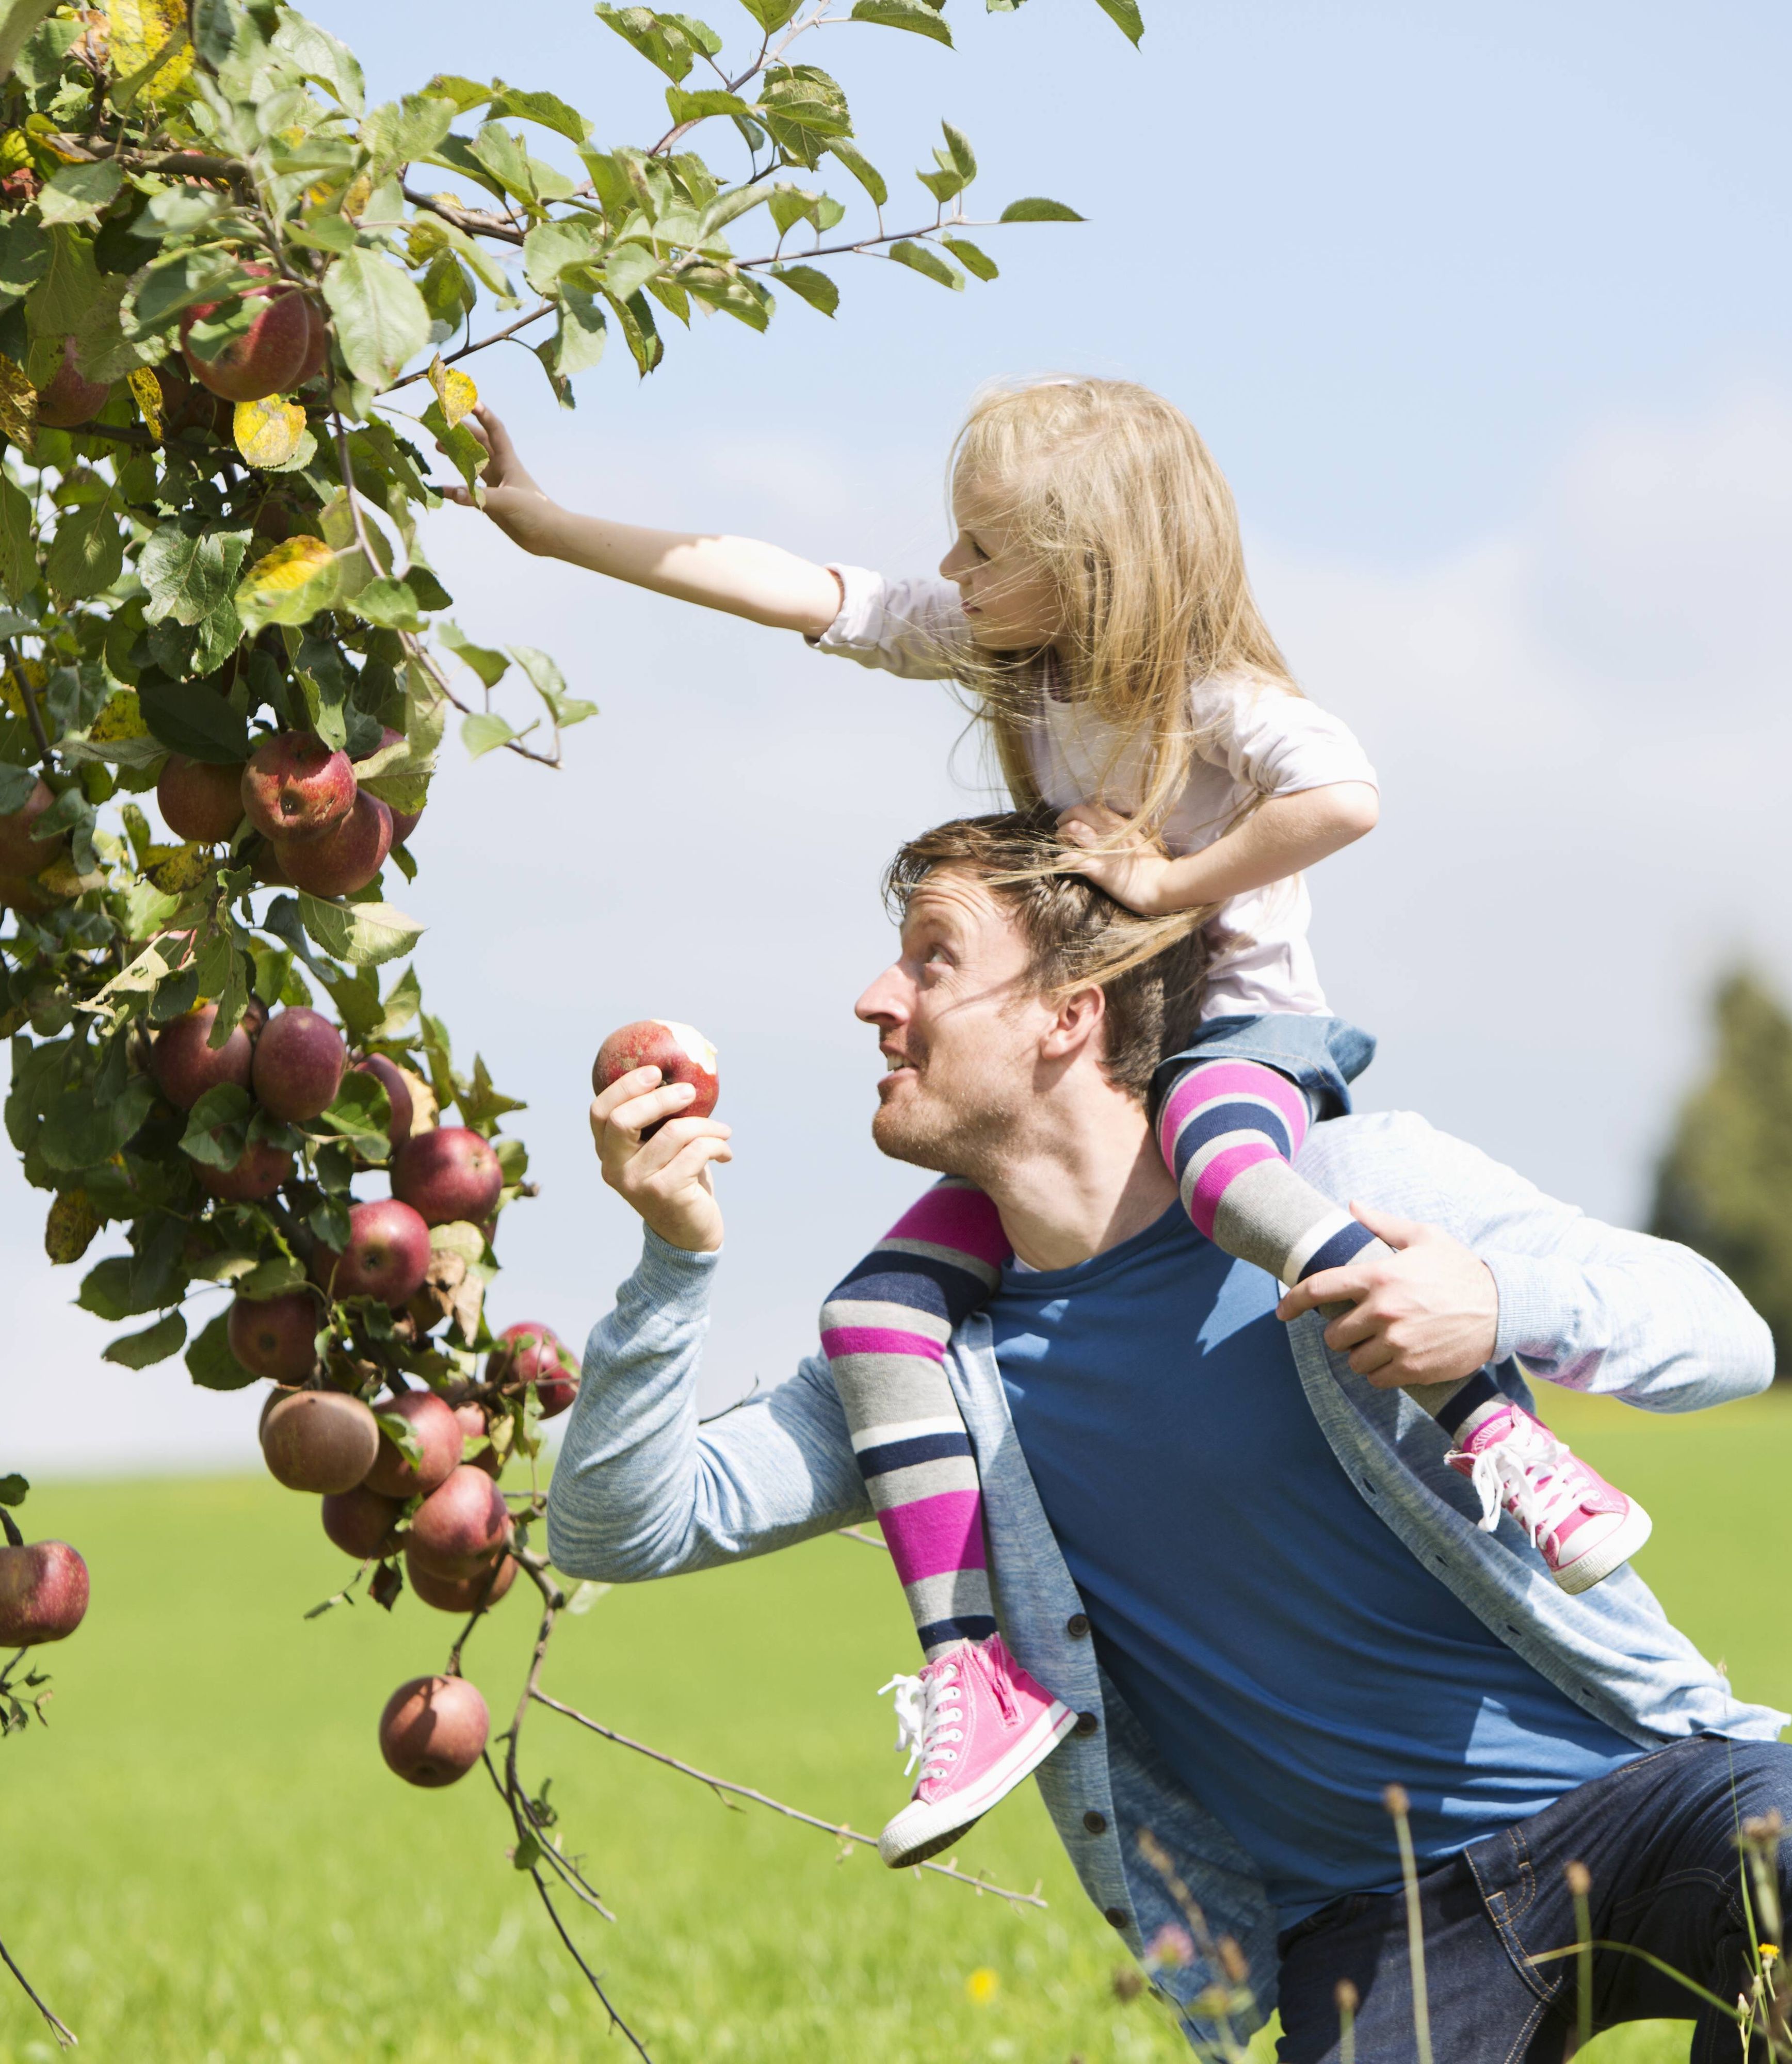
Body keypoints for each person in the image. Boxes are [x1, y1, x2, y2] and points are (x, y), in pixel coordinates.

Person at [471, 378, 1650, 1866]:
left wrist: (1169, 884)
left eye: (981, 551)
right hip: (1119, 1078)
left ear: (1089, 567)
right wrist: (557, 531)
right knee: (882, 1313)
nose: (949, 578)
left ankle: (1496, 1433)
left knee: (1228, 1170)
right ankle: (973, 1657)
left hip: (1236, 1042)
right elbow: (802, 591)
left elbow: (1344, 794)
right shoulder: (1006, 655)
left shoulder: (1207, 698)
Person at [544, 813, 1792, 2063]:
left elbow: (1725, 1333)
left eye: (929, 957)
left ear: (1067, 1011)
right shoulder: (926, 1376)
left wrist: (1491, 1300)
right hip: (1372, 1933)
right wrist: (673, 1264)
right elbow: (621, 1525)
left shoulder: (1351, 1180)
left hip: (1627, 1806)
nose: (873, 999)